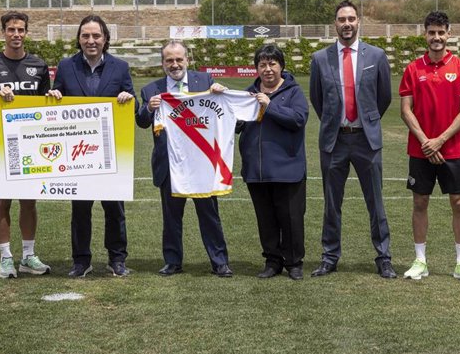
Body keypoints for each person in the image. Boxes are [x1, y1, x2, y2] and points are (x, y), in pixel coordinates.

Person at [0, 11, 61, 279]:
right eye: (11, 30)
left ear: (26, 32)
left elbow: (46, 100)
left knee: (29, 201)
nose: (16, 34)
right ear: (3, 33)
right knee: (2, 200)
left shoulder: (39, 65)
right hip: (1, 144)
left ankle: (28, 256)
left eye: (20, 30)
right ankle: (6, 257)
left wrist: (53, 95)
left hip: (32, 143)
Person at [309, 0, 397, 279]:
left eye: (351, 18)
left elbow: (384, 98)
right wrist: (337, 123)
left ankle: (383, 257)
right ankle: (330, 256)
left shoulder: (377, 56)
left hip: (366, 141)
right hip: (334, 141)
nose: (346, 24)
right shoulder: (320, 59)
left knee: (376, 202)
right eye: (341, 19)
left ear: (359, 22)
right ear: (334, 24)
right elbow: (317, 100)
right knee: (332, 203)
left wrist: (367, 121)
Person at [136, 40, 234, 278]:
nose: (175, 64)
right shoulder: (151, 90)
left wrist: (221, 92)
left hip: (202, 161)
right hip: (169, 163)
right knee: (171, 218)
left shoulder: (205, 81)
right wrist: (149, 108)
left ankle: (219, 261)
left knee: (209, 214)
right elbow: (141, 121)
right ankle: (172, 261)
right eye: (169, 60)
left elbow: (219, 110)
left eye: (179, 59)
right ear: (162, 63)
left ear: (188, 60)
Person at [52, 14, 137, 278]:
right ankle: (81, 260)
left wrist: (128, 97)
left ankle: (117, 258)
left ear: (105, 39)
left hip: (110, 151)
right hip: (77, 152)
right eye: (86, 36)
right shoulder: (66, 67)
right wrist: (54, 96)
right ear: (78, 39)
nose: (91, 41)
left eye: (96, 36)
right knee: (80, 209)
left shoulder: (120, 67)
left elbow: (133, 105)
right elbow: (56, 104)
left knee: (114, 208)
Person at [399, 11, 460, 283]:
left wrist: (439, 140)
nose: (436, 37)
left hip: (453, 148)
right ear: (425, 34)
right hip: (420, 148)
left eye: (441, 32)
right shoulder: (412, 69)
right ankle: (420, 261)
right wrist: (425, 142)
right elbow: (406, 110)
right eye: (431, 32)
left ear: (449, 33)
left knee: (458, 203)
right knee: (420, 201)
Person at [237, 44, 309, 280]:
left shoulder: (294, 92)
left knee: (291, 218)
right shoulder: (248, 94)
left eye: (272, 64)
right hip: (256, 170)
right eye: (262, 64)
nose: (267, 69)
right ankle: (272, 260)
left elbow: (298, 119)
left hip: (288, 169)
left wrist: (270, 106)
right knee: (265, 218)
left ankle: (294, 262)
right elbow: (235, 124)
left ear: (281, 66)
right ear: (256, 68)